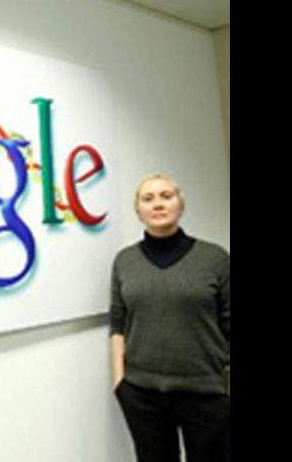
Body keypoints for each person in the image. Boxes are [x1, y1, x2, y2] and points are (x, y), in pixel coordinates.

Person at [110, 174, 230, 462]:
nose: (158, 204)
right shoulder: (125, 261)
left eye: (166, 196)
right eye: (148, 198)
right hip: (142, 394)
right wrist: (119, 382)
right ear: (138, 211)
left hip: (206, 393)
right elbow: (118, 324)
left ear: (180, 205)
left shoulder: (215, 258)